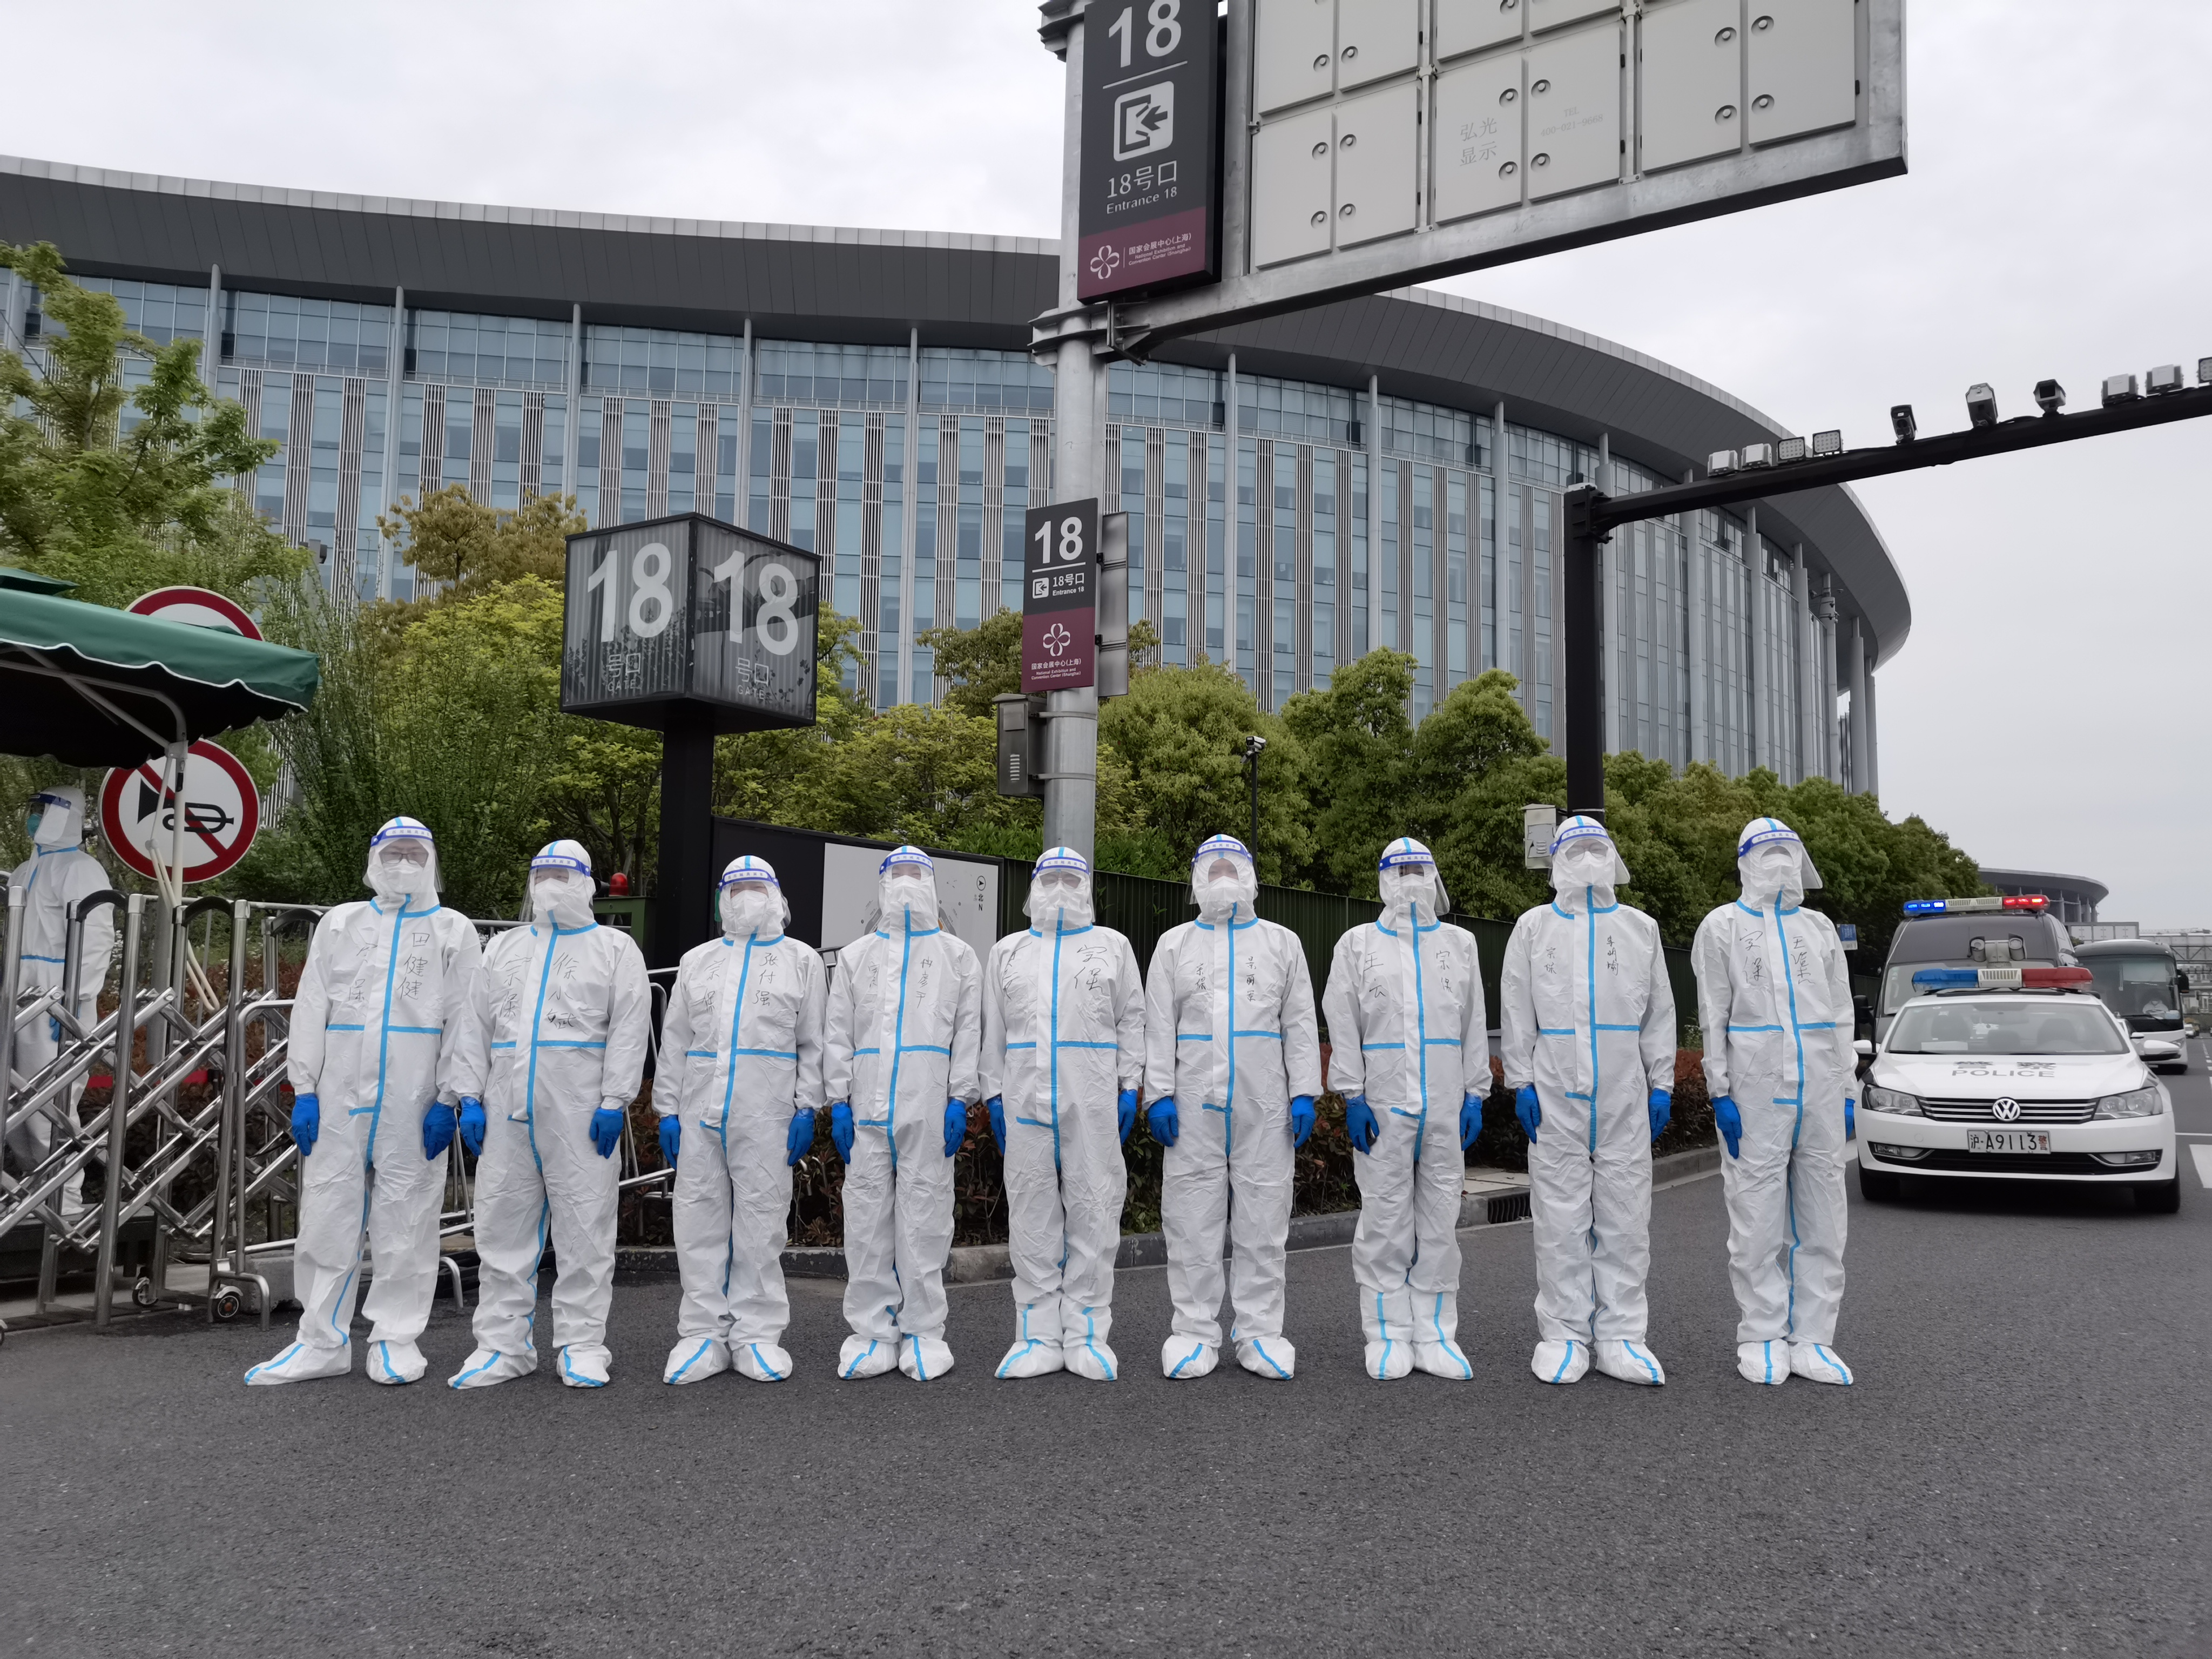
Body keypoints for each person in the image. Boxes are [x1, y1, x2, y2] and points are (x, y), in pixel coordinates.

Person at [246, 817, 482, 1386]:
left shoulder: (453, 930)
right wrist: (304, 1088)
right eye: (393, 852)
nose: (403, 863)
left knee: (408, 1221)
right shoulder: (341, 923)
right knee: (327, 1218)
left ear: (432, 862)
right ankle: (320, 1341)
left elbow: (465, 1020)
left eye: (415, 854)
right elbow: (312, 1005)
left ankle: (396, 1340)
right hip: (339, 1098)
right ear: (373, 858)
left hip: (413, 1098)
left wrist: (450, 1097)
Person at [448, 840, 650, 1390]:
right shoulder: (503, 948)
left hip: (581, 1113)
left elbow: (630, 1029)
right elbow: (475, 1026)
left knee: (585, 1229)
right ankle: (501, 1346)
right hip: (505, 1111)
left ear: (586, 884)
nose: (551, 884)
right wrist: (469, 1096)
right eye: (542, 874)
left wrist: (615, 1100)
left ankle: (582, 1345)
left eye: (563, 874)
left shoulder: (614, 949)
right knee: (501, 1228)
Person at [1498, 814, 1677, 1387]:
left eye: (1597, 848)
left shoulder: (1640, 928)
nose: (1587, 860)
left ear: (1614, 857)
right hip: (1555, 1094)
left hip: (1624, 1094)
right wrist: (1521, 1082)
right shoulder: (1533, 927)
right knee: (1559, 1219)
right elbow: (1516, 1009)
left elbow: (1660, 1013)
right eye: (1574, 851)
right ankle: (1563, 1335)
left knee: (1627, 1218)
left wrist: (1662, 1082)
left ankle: (1622, 1336)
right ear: (1555, 861)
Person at [1144, 834, 1322, 1381]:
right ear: (1196, 879)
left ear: (1250, 877)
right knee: (1190, 1218)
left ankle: (1261, 1333)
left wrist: (1303, 1091)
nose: (1223, 878)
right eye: (1213, 869)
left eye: (1232, 868)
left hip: (1263, 1102)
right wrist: (1159, 1093)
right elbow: (1158, 1025)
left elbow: (1299, 1021)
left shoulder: (1281, 943)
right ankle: (1193, 1332)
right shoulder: (1174, 945)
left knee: (1264, 1217)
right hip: (1193, 1104)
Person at [1690, 817, 1857, 1387]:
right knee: (1756, 1217)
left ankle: (1813, 1337)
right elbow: (1713, 1014)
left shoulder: (1818, 928)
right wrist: (1719, 1091)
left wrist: (1847, 1089)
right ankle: (1761, 1334)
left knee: (1823, 1218)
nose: (1781, 863)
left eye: (1789, 852)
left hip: (1820, 1089)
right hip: (1754, 1092)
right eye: (1769, 854)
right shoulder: (1722, 927)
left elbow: (1841, 1012)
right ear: (1744, 863)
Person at [656, 855, 826, 1385]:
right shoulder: (697, 961)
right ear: (721, 900)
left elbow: (813, 1042)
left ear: (776, 896)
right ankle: (701, 1334)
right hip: (699, 1111)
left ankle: (756, 1334)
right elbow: (676, 1040)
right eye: (736, 888)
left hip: (767, 1112)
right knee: (697, 1220)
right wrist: (666, 1109)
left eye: (757, 886)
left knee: (761, 1222)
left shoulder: (800, 960)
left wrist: (807, 1106)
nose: (747, 896)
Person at [1322, 838, 1488, 1381]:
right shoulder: (1357, 944)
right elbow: (1342, 1021)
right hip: (1383, 1103)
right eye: (1401, 871)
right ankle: (1387, 1334)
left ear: (1435, 878)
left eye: (1420, 870)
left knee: (1440, 1219)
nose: (1411, 879)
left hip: (1445, 1101)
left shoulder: (1460, 944)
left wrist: (1474, 1093)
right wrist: (1352, 1096)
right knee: (1384, 1219)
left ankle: (1437, 1333)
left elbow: (1473, 1022)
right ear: (1382, 880)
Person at [980, 847, 1146, 1381]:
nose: (1058, 888)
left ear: (1087, 886)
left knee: (1094, 1209)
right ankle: (1035, 1335)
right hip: (1023, 1096)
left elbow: (1132, 1019)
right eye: (1048, 878)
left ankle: (1087, 1334)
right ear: (1031, 887)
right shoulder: (1008, 952)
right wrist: (992, 1093)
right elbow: (993, 1029)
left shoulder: (1112, 947)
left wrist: (1130, 1084)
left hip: (1091, 1096)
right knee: (1031, 1213)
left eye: (1069, 878)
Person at [822, 846, 982, 1381]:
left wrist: (960, 1097)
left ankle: (923, 1331)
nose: (908, 882)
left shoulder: (958, 957)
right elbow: (838, 1033)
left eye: (918, 874)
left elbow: (968, 1032)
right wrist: (837, 1100)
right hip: (866, 1109)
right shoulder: (856, 957)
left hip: (929, 1106)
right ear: (881, 885)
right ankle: (870, 1332)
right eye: (898, 875)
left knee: (925, 1221)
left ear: (933, 884)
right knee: (866, 1222)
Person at [5, 786, 114, 1220]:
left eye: (42, 810)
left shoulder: (82, 870)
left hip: (57, 997)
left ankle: (64, 1204)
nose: (34, 817)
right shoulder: (26, 868)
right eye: (33, 809)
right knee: (15, 1105)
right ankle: (36, 1193)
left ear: (64, 815)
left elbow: (96, 938)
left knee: (48, 1106)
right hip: (19, 994)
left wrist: (74, 1000)